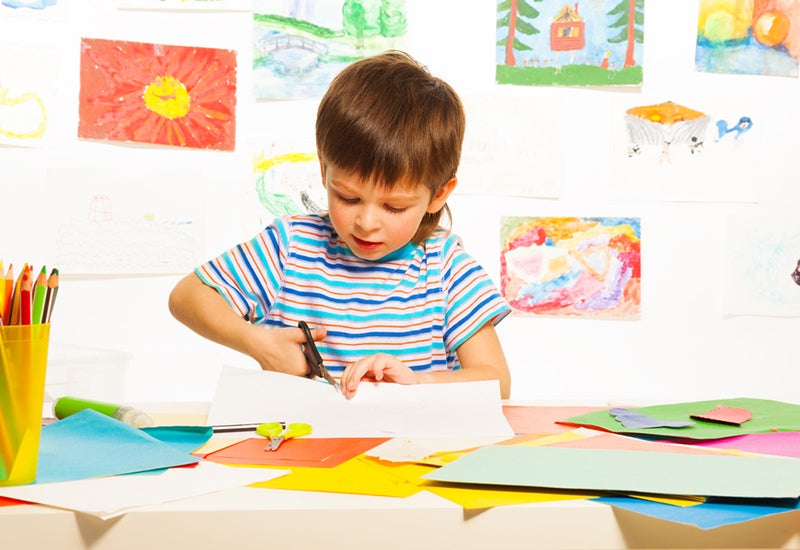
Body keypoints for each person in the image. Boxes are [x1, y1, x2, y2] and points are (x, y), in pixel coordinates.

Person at [168, 51, 511, 399]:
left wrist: (418, 382)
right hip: (302, 447)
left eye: (394, 206)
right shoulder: (291, 247)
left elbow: (497, 382)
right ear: (324, 171)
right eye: (347, 197)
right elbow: (187, 297)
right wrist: (259, 343)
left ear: (438, 195)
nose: (366, 223)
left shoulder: (446, 268)